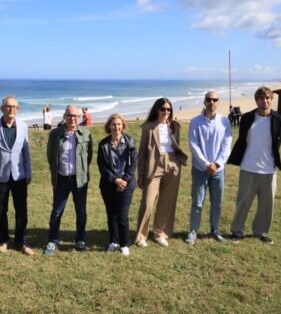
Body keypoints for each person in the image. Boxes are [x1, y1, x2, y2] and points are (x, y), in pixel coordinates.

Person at [227, 86, 281, 244]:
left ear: (271, 100)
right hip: (248, 168)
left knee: (267, 204)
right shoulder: (246, 118)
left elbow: (277, 144)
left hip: (269, 170)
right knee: (243, 202)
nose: (264, 101)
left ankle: (261, 231)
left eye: (267, 98)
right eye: (261, 98)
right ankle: (237, 231)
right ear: (256, 100)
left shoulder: (279, 120)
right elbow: (242, 140)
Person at [135, 98, 188, 248]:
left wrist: (177, 163)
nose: (166, 112)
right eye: (163, 109)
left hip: (172, 164)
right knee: (147, 203)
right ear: (157, 110)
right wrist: (140, 174)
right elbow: (142, 153)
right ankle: (140, 236)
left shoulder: (174, 126)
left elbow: (176, 145)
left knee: (167, 201)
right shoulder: (149, 127)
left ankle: (160, 233)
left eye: (169, 109)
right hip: (154, 165)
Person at [43, 105, 93, 255]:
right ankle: (53, 240)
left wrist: (82, 171)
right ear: (64, 116)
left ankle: (80, 239)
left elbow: (88, 156)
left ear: (79, 118)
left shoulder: (86, 133)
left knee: (81, 212)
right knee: (57, 211)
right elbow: (50, 156)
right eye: (69, 115)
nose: (72, 118)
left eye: (75, 116)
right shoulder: (55, 134)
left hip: (80, 180)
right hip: (61, 179)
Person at [0, 96, 34, 255]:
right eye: (8, 106)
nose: (11, 109)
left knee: (21, 210)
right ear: (2, 108)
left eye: (14, 106)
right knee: (1, 210)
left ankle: (21, 241)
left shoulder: (23, 126)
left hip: (19, 175)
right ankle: (3, 239)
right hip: (0, 176)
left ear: (18, 109)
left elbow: (25, 151)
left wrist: (28, 172)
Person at [185, 91, 232, 245]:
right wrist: (206, 164)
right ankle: (193, 230)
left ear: (218, 102)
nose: (212, 102)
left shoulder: (224, 122)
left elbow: (227, 145)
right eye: (209, 99)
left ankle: (215, 229)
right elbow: (193, 145)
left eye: (215, 99)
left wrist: (217, 164)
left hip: (218, 170)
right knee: (197, 202)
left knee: (217, 202)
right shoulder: (195, 122)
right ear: (204, 102)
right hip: (200, 169)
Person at [97, 114, 138, 256]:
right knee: (111, 214)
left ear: (123, 126)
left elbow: (132, 165)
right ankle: (113, 241)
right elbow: (102, 167)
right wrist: (115, 180)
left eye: (119, 124)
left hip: (126, 183)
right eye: (113, 124)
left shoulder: (130, 141)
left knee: (122, 215)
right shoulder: (103, 144)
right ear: (109, 126)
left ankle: (124, 244)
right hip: (109, 184)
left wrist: (124, 181)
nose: (116, 127)